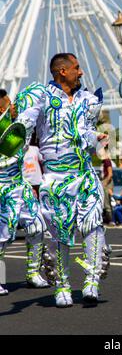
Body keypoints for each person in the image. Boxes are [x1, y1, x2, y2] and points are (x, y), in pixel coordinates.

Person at [15, 53, 109, 307]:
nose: (81, 73)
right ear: (62, 72)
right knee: (60, 234)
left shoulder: (87, 100)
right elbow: (23, 127)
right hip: (56, 177)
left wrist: (95, 137)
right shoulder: (41, 96)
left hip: (85, 173)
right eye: (77, 68)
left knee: (92, 225)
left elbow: (85, 130)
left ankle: (91, 281)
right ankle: (63, 284)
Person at [0, 89, 48, 295]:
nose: (13, 107)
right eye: (9, 104)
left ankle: (33, 273)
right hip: (2, 189)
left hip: (21, 185)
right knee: (2, 237)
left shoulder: (17, 128)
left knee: (37, 227)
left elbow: (35, 107)